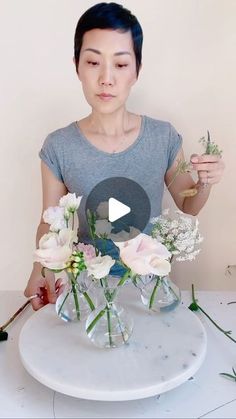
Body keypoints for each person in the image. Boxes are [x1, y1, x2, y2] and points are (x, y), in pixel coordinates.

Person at [24, 2, 225, 310]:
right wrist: (40, 270)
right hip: (87, 292)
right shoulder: (58, 146)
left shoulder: (163, 137)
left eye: (120, 64)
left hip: (152, 289)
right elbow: (49, 223)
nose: (106, 79)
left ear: (137, 70)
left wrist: (206, 182)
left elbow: (189, 204)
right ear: (76, 65)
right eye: (93, 63)